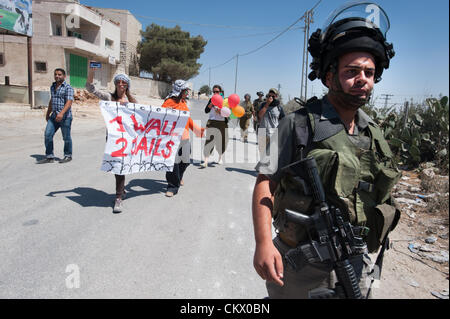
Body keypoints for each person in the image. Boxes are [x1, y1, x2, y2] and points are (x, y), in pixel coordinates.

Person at [252, 2, 400, 299]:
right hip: (301, 264)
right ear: (329, 76)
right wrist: (263, 243)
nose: (363, 80)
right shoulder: (296, 124)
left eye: (369, 73)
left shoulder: (373, 132)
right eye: (352, 71)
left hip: (356, 260)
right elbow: (265, 182)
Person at [86, 64, 137, 213]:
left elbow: (142, 118)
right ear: (115, 84)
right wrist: (91, 72)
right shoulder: (109, 97)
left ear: (127, 85)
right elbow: (91, 89)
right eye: (118, 82)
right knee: (118, 166)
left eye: (124, 82)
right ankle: (119, 196)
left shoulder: (132, 102)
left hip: (128, 139)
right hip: (114, 139)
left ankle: (120, 194)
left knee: (122, 166)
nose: (121, 84)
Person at [161, 80, 204, 197]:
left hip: (185, 138)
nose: (188, 92)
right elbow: (161, 118)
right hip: (172, 138)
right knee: (173, 163)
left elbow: (187, 119)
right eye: (186, 90)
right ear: (180, 90)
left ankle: (179, 177)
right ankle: (172, 186)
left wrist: (197, 129)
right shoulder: (169, 102)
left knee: (185, 161)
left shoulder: (184, 102)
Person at [38, 68, 74, 164]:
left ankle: (68, 155)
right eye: (55, 74)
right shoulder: (53, 86)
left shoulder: (68, 87)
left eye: (59, 74)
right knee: (47, 134)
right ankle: (50, 156)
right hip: (54, 116)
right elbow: (52, 100)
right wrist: (48, 113)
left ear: (64, 76)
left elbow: (69, 102)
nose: (57, 76)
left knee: (66, 137)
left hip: (65, 117)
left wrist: (61, 113)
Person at [201, 85, 228, 167]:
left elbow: (228, 115)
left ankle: (220, 158)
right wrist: (211, 104)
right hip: (212, 122)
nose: (215, 93)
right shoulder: (211, 99)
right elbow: (206, 111)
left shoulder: (225, 101)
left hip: (222, 123)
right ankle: (205, 161)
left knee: (221, 141)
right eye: (214, 92)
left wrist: (220, 111)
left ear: (221, 92)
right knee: (209, 140)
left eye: (217, 91)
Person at [257, 88, 284, 158]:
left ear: (276, 97)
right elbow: (260, 115)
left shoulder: (279, 108)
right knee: (262, 153)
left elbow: (283, 120)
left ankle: (268, 168)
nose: (271, 98)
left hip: (273, 134)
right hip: (262, 132)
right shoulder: (263, 104)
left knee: (271, 154)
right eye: (269, 96)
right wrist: (267, 104)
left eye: (273, 96)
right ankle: (262, 167)